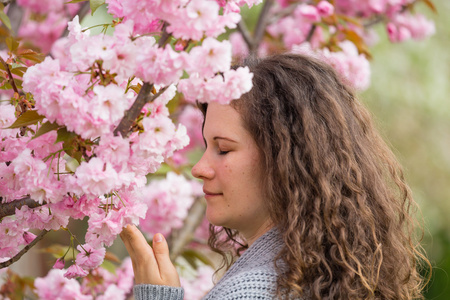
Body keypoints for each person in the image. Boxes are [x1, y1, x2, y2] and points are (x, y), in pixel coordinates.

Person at [120, 53, 429, 299]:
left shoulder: (249, 291)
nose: (199, 168)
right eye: (206, 146)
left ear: (282, 158)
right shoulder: (331, 278)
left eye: (223, 150)